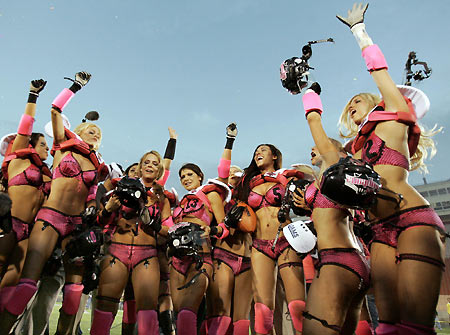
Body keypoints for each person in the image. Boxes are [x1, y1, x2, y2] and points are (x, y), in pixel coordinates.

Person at [337, 4, 444, 334]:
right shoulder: (353, 150)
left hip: (413, 218)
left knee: (414, 325)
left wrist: (359, 32)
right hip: (379, 230)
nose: (352, 105)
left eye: (358, 99)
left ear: (375, 101)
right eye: (348, 104)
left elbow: (380, 73)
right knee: (387, 325)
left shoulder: (396, 112)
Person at [0, 71, 106, 335]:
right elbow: (56, 109)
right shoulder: (63, 146)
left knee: (74, 291)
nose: (95, 134)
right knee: (26, 284)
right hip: (50, 218)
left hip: (77, 226)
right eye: (91, 130)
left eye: (98, 134)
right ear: (80, 131)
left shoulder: (98, 164)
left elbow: (92, 193)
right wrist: (75, 86)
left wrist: (94, 209)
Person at [92, 150, 172, 335]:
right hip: (117, 251)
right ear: (140, 166)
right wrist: (107, 210)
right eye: (146, 162)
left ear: (159, 169)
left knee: (146, 309)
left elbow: (169, 231)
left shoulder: (162, 198)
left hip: (146, 255)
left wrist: (152, 223)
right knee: (105, 304)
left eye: (154, 163)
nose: (150, 166)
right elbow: (101, 221)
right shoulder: (120, 187)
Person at [170, 124, 236, 335]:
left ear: (200, 176)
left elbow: (226, 226)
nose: (185, 178)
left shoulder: (211, 194)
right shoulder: (178, 204)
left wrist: (213, 231)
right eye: (182, 176)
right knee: (179, 313)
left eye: (190, 174)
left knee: (188, 310)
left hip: (201, 253)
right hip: (175, 259)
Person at [234, 144, 306, 335]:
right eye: (255, 151)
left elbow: (308, 188)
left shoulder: (288, 176)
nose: (258, 152)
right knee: (263, 309)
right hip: (259, 245)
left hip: (285, 240)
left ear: (274, 156)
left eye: (263, 150)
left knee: (298, 305)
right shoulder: (248, 183)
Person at [0, 79, 50, 313]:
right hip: (7, 225)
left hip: (28, 232)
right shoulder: (18, 161)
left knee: (11, 283)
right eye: (43, 144)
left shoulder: (45, 172)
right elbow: (25, 127)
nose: (47, 149)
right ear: (30, 144)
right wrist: (33, 96)